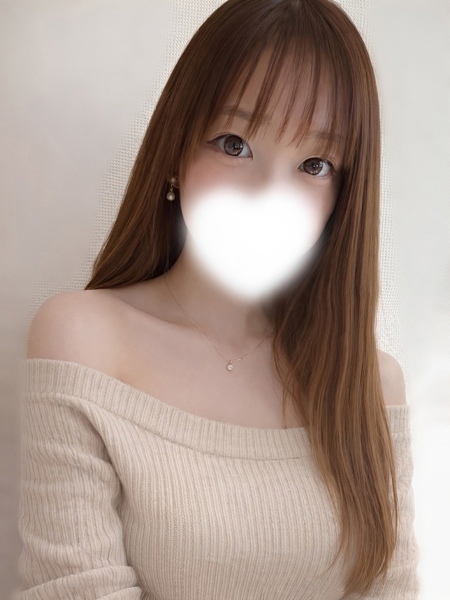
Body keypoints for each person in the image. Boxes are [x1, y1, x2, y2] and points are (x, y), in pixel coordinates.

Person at [19, 0, 420, 598]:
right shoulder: (85, 338)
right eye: (234, 144)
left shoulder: (368, 383)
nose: (268, 195)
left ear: (343, 197)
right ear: (175, 151)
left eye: (314, 163)